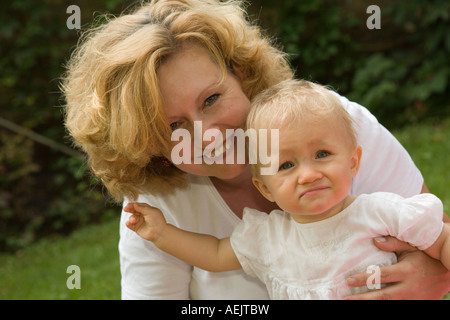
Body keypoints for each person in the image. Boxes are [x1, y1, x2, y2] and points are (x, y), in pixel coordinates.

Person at [62, 0, 450, 299]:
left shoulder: (335, 127)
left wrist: (434, 276)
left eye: (212, 98)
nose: (207, 137)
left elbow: (435, 242)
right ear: (146, 145)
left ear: (241, 73)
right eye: (173, 126)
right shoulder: (157, 207)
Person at [124, 79, 450, 299]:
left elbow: (442, 237)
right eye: (286, 166)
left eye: (322, 155)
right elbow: (214, 253)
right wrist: (163, 233)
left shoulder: (380, 211)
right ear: (265, 188)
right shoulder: (267, 237)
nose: (307, 175)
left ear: (353, 162)